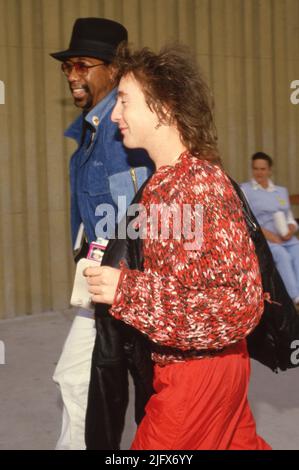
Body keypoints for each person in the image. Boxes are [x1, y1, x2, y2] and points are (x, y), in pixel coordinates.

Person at [84, 45, 271, 450]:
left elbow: (240, 304)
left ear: (164, 107)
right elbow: (180, 284)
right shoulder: (162, 185)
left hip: (199, 375)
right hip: (198, 365)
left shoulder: (199, 184)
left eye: (125, 102)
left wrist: (127, 290)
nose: (115, 115)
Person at [50, 18, 152, 450]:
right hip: (102, 283)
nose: (74, 75)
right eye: (68, 66)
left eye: (83, 65)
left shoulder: (119, 131)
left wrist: (132, 286)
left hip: (125, 285)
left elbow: (140, 217)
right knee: (78, 381)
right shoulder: (91, 133)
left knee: (139, 395)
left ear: (114, 69)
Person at [241, 152, 299, 308]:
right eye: (256, 169)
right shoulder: (245, 190)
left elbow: (289, 218)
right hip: (264, 239)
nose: (259, 172)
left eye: (263, 169)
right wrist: (270, 236)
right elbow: (247, 220)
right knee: (282, 255)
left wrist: (291, 228)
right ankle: (294, 297)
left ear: (269, 170)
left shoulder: (281, 191)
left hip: (285, 237)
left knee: (297, 251)